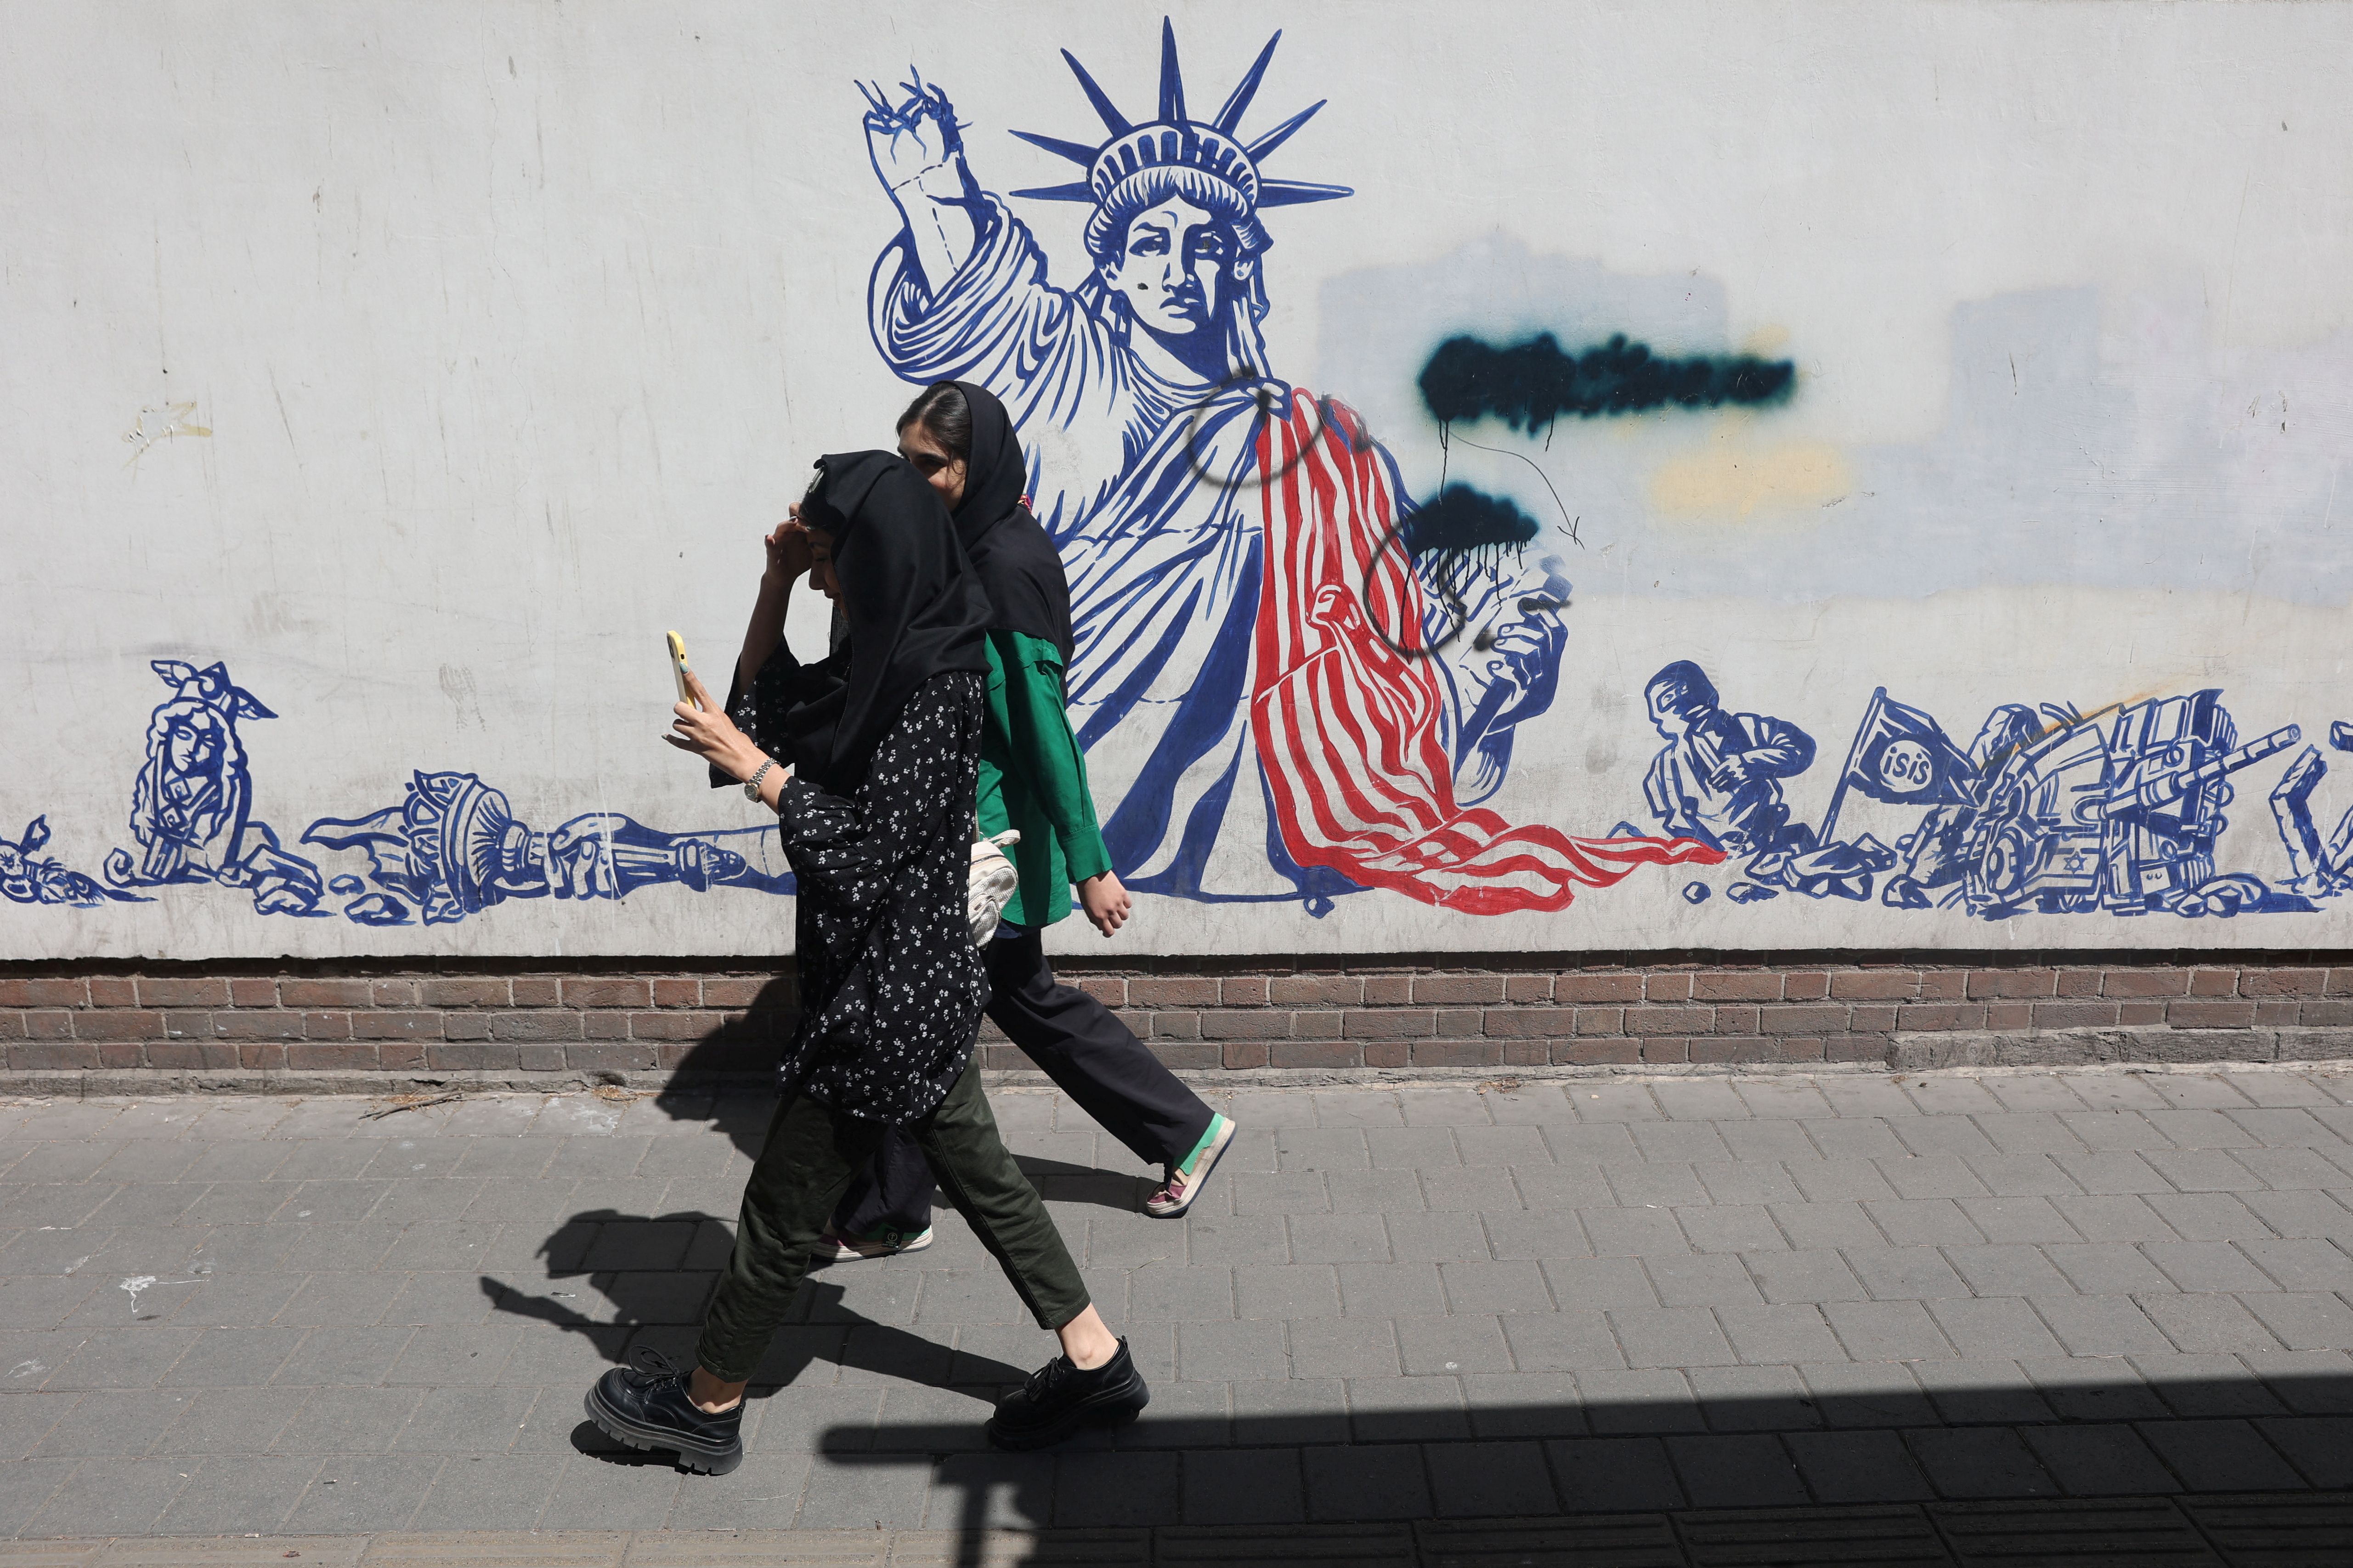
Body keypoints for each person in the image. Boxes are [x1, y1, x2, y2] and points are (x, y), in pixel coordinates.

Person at [854, 30, 1718, 915]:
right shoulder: (1075, 363)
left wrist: (1494, 636)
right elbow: (984, 299)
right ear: (1111, 267)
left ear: (1238, 265)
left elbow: (1394, 576)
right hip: (1079, 689)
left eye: (1204, 244)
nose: (1177, 270)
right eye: (1150, 243)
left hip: (1269, 726)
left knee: (1274, 559)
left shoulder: (1313, 435)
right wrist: (931, 193)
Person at [585, 451, 1148, 1473]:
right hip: (909, 979)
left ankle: (705, 1407)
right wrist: (772, 585)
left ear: (883, 552)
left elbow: (868, 848)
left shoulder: (939, 678)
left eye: (830, 560)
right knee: (987, 1178)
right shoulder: (889, 650)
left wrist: (757, 773)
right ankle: (1095, 1358)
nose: (823, 581)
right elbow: (774, 707)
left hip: (883, 993)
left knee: (779, 1211)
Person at [816, 382, 1237, 1256]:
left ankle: (895, 1205)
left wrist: (1090, 861)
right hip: (960, 830)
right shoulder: (967, 541)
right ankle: (1183, 1127)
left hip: (986, 839)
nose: (912, 479)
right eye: (904, 461)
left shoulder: (1003, 565)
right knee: (1012, 1000)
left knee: (913, 1010)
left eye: (929, 465)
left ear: (975, 465)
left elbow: (1043, 723)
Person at [1640, 661, 1817, 857]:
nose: (1656, 718)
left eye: (1663, 702)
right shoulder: (1664, 764)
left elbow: (1802, 749)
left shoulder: (1747, 727)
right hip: (1708, 857)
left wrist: (1748, 763)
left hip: (1769, 846)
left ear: (1683, 691)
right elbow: (1662, 821)